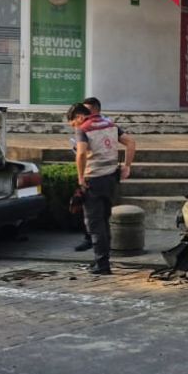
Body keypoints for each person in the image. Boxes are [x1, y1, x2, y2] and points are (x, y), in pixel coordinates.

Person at [68, 102, 135, 275]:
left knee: (95, 223)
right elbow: (130, 142)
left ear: (79, 117)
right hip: (112, 178)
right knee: (104, 220)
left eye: (73, 123)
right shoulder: (111, 124)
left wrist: (81, 177)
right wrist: (127, 166)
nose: (75, 127)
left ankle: (102, 264)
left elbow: (81, 153)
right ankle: (103, 259)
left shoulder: (84, 128)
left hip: (94, 179)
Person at [67, 96, 104, 253]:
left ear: (96, 110)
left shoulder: (103, 125)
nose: (84, 114)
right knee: (86, 210)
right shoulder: (85, 127)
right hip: (90, 171)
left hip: (96, 173)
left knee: (96, 213)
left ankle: (100, 251)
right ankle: (90, 240)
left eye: (88, 110)